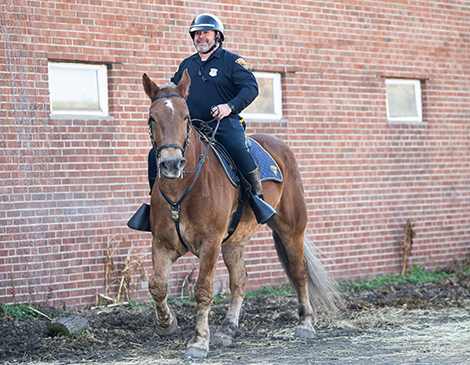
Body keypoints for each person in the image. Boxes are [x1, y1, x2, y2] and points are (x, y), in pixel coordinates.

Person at [128, 13, 276, 232]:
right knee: (154, 154)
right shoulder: (187, 64)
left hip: (223, 124)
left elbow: (251, 88)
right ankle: (154, 205)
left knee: (238, 148)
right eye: (197, 34)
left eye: (206, 33)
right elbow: (176, 92)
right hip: (193, 128)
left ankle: (257, 200)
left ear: (217, 36)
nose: (201, 37)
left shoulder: (232, 61)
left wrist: (229, 106)